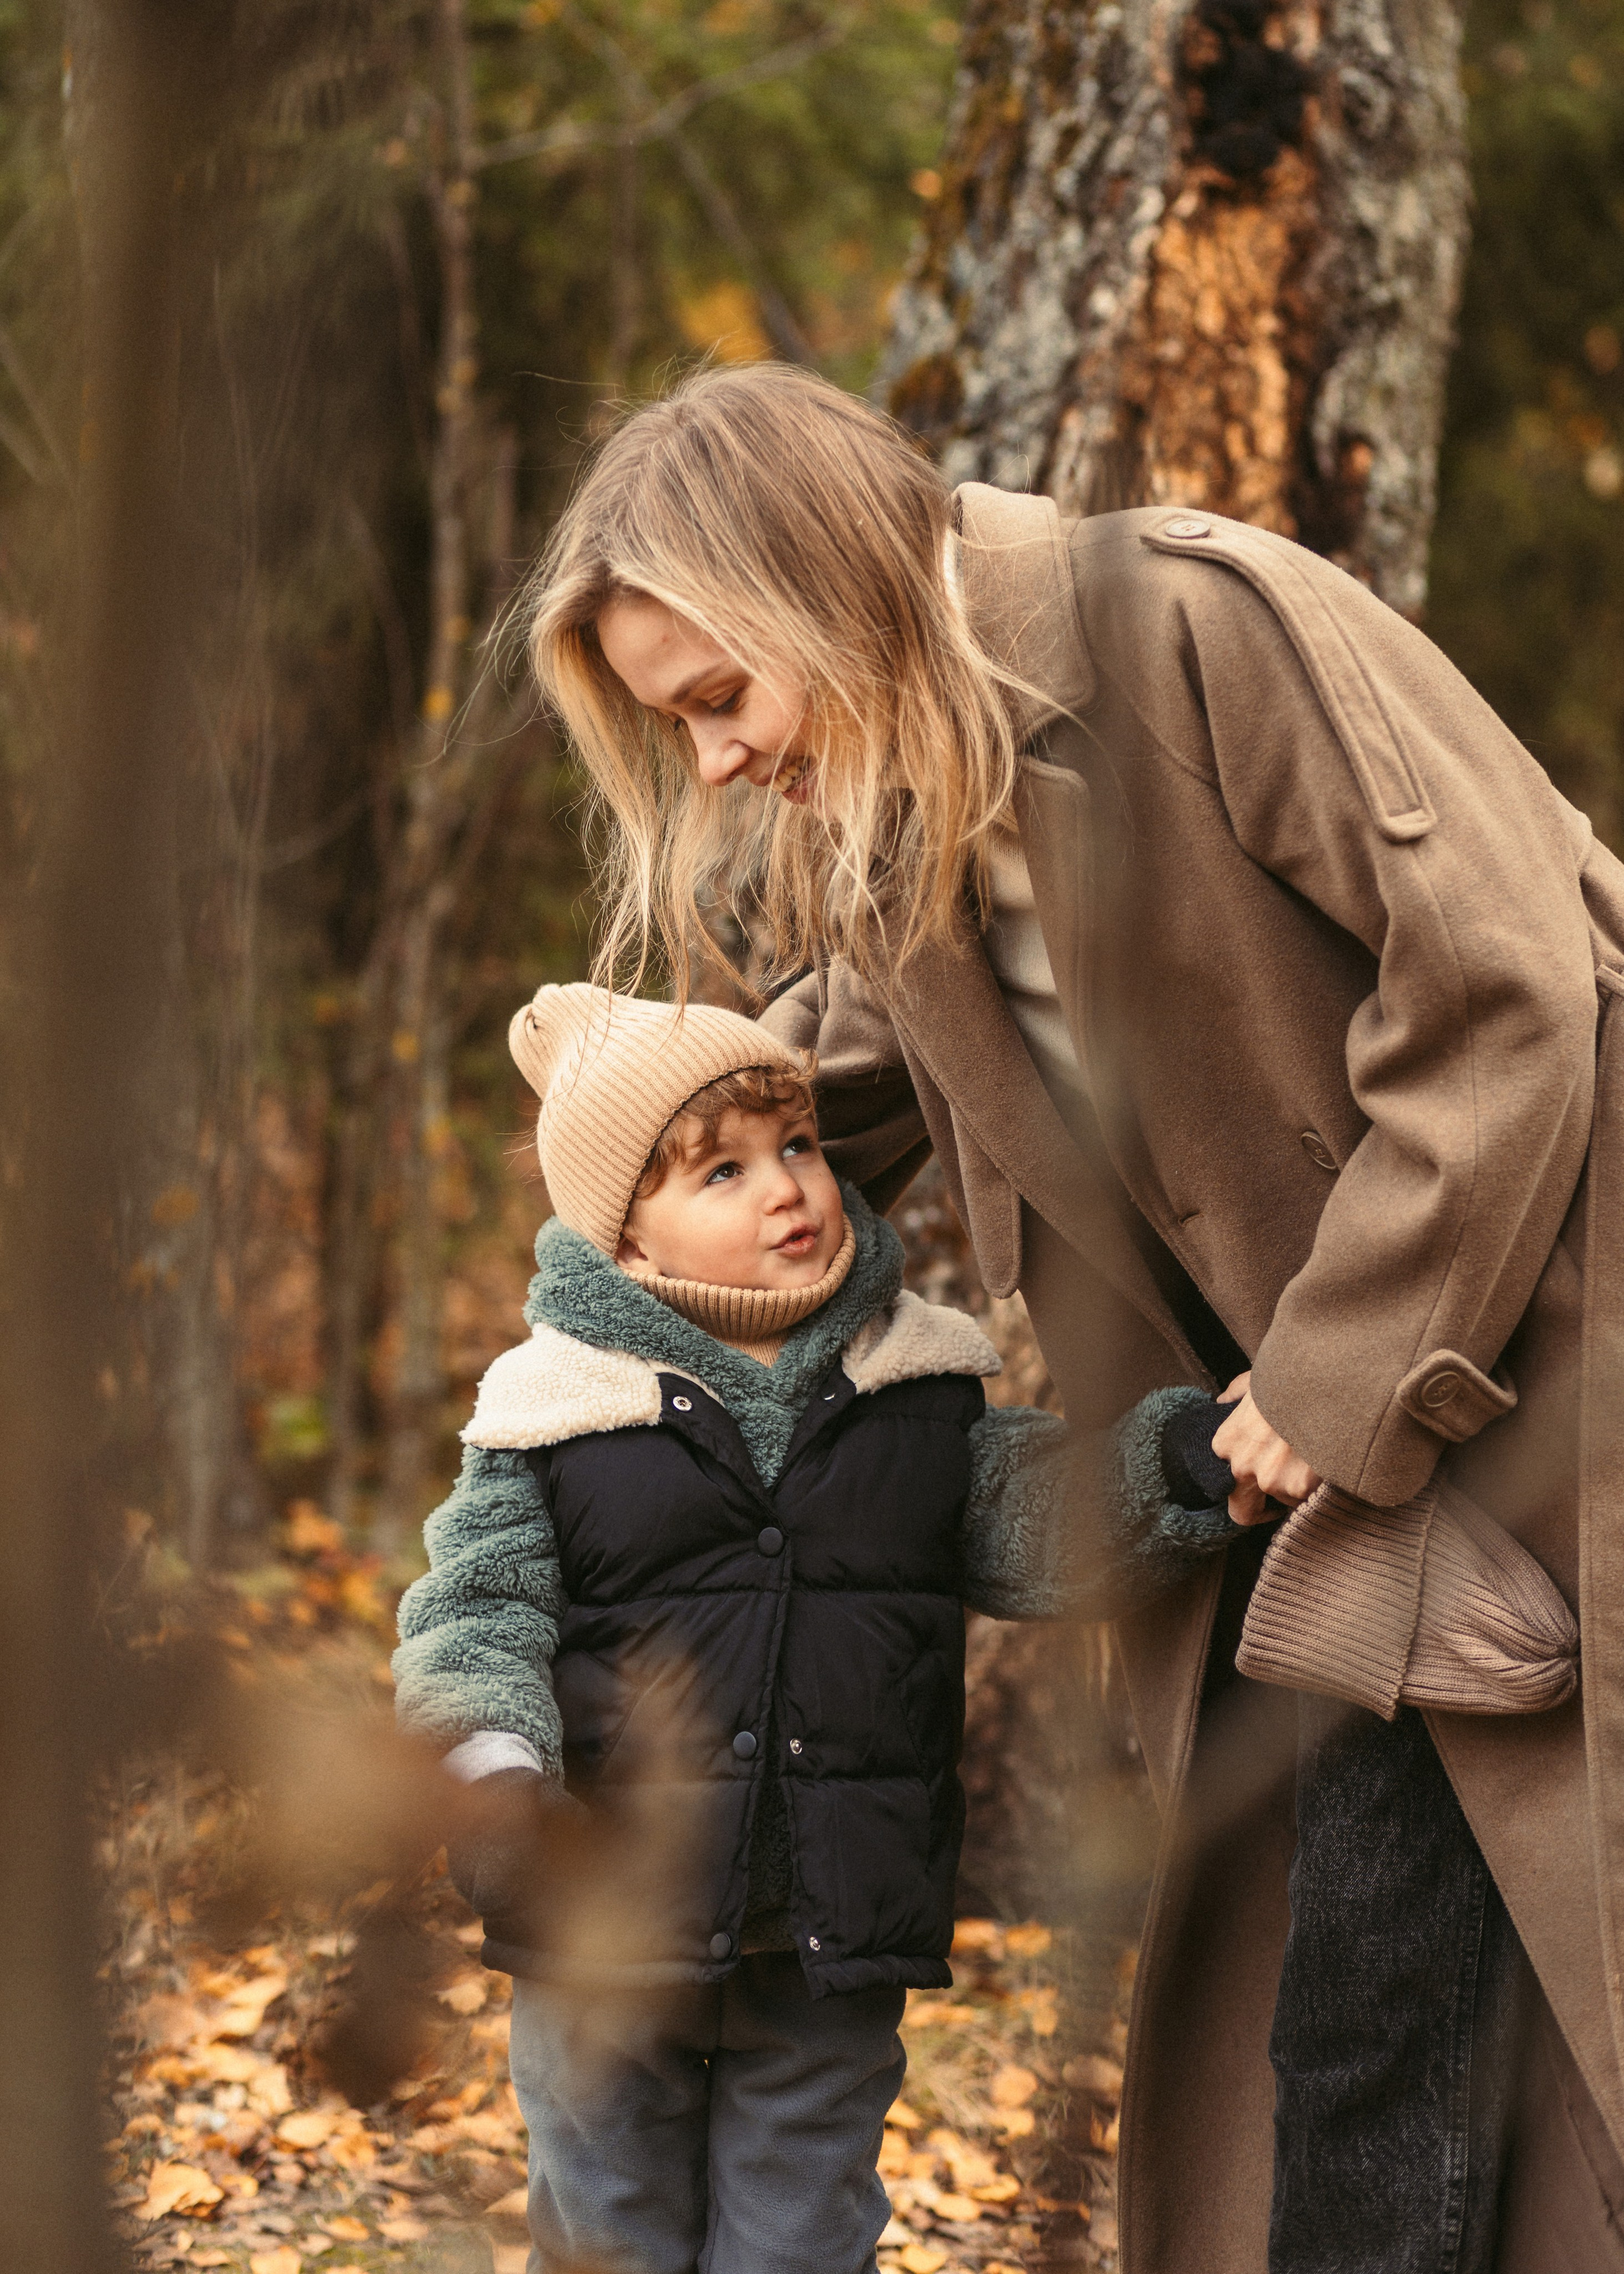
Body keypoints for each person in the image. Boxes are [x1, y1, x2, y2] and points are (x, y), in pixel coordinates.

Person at [521, 362, 1624, 2273]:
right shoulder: (904, 827)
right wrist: (617, 1222)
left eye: (717, 696)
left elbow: (1513, 984)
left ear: (823, 585)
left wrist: (1336, 1371)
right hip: (1331, 1488)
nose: (708, 762)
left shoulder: (1203, 629)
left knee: (1403, 2008)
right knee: (1351, 2019)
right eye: (671, 721)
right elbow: (824, 1094)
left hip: (1543, 1389)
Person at [393, 981, 1249, 2274]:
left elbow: (1033, 1517)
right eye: (721, 1173)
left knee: (800, 2231)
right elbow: (473, 1612)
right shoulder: (550, 1410)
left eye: (794, 1145)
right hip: (603, 1928)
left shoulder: (909, 1383)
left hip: (829, 1933)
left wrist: (1173, 1467)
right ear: (626, 1238)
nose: (786, 1187)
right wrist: (496, 1789)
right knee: (608, 2223)